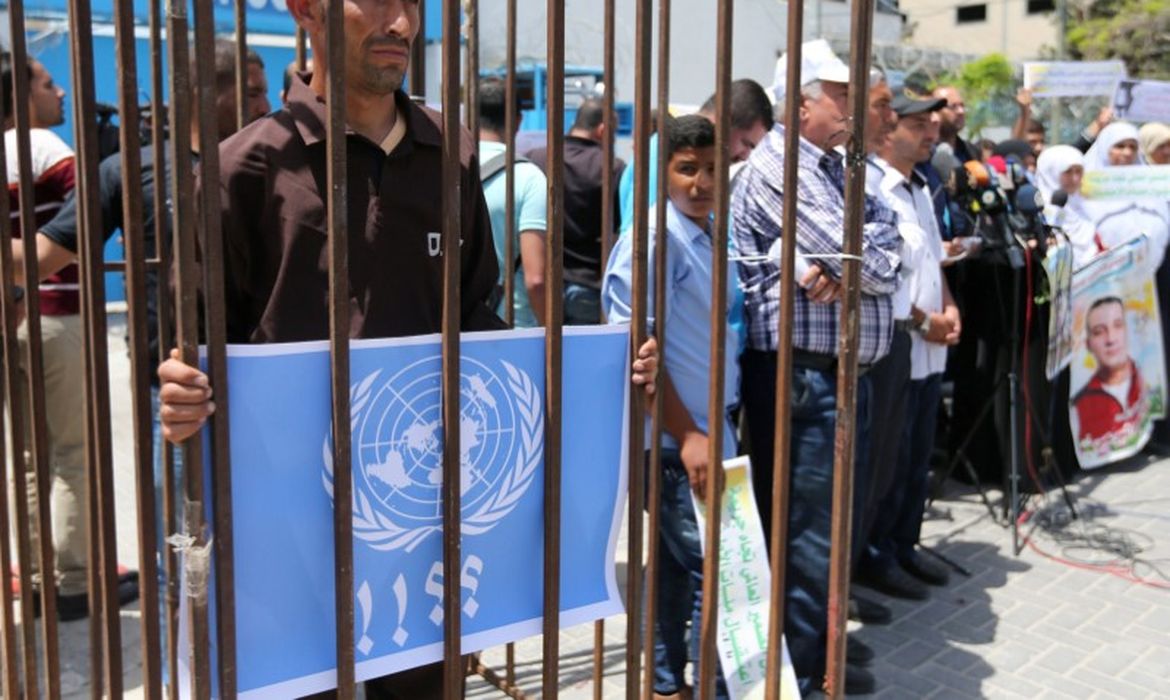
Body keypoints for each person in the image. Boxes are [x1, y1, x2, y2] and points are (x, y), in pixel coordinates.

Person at [155, 1, 657, 696]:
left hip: (423, 513)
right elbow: (193, 347)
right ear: (306, 10)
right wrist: (180, 392)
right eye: (378, 1)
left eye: (413, 5)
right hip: (288, 523)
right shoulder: (241, 170)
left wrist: (596, 374)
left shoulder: (449, 156)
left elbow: (478, 320)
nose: (400, 24)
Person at [16, 41, 269, 629]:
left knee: (273, 547)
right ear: (211, 92)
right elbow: (40, 255)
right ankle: (192, 667)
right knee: (186, 553)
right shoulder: (133, 170)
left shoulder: (283, 163)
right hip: (180, 394)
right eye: (252, 90)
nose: (266, 102)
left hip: (273, 385)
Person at [733, 40, 901, 696]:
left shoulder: (834, 166)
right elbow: (861, 255)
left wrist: (861, 266)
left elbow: (880, 247)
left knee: (825, 529)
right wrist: (862, 264)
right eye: (840, 94)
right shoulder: (782, 164)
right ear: (800, 104)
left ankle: (815, 652)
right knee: (804, 535)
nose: (853, 106)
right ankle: (803, 672)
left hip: (831, 374)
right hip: (800, 376)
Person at [604, 114, 733, 700]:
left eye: (713, 169)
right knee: (720, 569)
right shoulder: (656, 237)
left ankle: (663, 683)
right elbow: (635, 354)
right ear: (664, 173)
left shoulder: (704, 231)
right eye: (688, 170)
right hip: (679, 439)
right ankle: (714, 686)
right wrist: (689, 435)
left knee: (678, 567)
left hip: (708, 430)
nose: (702, 182)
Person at [3, 53, 104, 620]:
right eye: (47, 83)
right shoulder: (42, 146)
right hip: (58, 314)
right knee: (72, 451)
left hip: (14, 317)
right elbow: (91, 219)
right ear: (19, 94)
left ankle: (38, 576)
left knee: (27, 455)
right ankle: (74, 584)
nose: (59, 90)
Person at [861, 93, 959, 601]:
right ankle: (874, 555)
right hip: (899, 339)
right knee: (888, 459)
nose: (930, 134)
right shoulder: (875, 187)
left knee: (917, 450)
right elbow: (887, 281)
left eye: (933, 125)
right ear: (887, 130)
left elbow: (932, 263)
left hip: (928, 345)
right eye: (917, 125)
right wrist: (926, 321)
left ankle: (904, 543)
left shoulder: (922, 186)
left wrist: (949, 306)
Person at [618, 79, 774, 235]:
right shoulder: (667, 148)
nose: (746, 156)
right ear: (725, 121)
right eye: (746, 143)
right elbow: (642, 237)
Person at [527, 97, 624, 324]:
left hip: (544, 279)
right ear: (602, 130)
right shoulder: (612, 167)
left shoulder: (538, 158)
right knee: (586, 358)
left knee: (545, 357)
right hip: (589, 284)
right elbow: (620, 228)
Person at [477, 79, 547, 327]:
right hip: (512, 328)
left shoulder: (446, 167)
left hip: (452, 327)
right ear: (517, 120)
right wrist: (550, 330)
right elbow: (536, 279)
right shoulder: (529, 178)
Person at [1082, 122, 1170, 269]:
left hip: (1154, 271)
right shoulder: (1086, 188)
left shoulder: (1151, 186)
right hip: (1102, 272)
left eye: (1132, 147)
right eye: (1120, 146)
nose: (1127, 153)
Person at [1072, 297, 1145, 442]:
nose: (1110, 339)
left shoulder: (1150, 379)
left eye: (1118, 325)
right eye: (1099, 332)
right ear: (1088, 344)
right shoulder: (1079, 405)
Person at [1035, 145, 1098, 267]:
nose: (1074, 178)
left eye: (1078, 171)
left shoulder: (1088, 205)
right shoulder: (1038, 208)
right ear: (1050, 171)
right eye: (1068, 172)